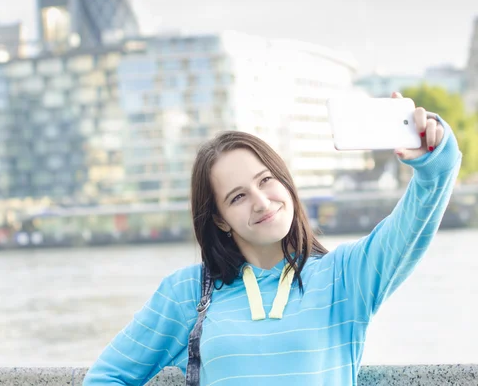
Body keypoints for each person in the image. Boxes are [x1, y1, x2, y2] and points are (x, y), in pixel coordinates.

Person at [83, 92, 462, 385]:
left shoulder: (346, 277)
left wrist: (433, 156)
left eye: (266, 181)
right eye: (238, 196)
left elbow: (417, 218)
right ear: (220, 219)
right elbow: (106, 378)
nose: (262, 202)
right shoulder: (186, 294)